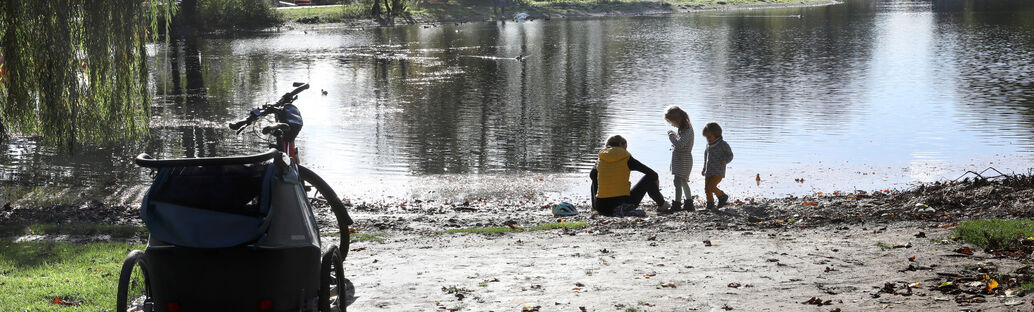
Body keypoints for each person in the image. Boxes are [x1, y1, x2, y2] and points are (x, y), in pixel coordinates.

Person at [590, 135, 671, 216]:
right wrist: (656, 188)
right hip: (622, 204)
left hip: (601, 208)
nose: (626, 149)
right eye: (625, 147)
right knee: (649, 177)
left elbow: (592, 175)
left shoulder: (601, 158)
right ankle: (662, 204)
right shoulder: (626, 157)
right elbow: (652, 174)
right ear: (622, 143)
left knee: (595, 175)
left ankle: (594, 207)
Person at [664, 106, 694, 212]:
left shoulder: (688, 129)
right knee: (678, 181)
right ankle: (683, 202)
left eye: (672, 122)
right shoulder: (684, 129)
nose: (672, 124)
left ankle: (683, 203)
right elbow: (681, 142)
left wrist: (672, 136)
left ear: (678, 120)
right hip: (680, 159)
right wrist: (676, 135)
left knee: (682, 181)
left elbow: (680, 144)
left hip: (684, 159)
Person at [702, 122, 733, 211]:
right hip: (709, 170)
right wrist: (704, 168)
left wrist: (725, 161)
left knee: (711, 186)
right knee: (707, 188)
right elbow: (706, 157)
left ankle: (722, 196)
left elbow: (730, 155)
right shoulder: (708, 145)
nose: (708, 139)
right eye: (706, 137)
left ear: (716, 135)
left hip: (718, 171)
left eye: (709, 137)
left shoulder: (723, 144)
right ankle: (710, 203)